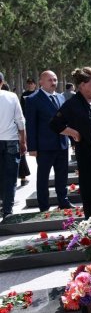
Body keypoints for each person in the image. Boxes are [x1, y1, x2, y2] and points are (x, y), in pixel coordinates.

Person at [49, 67, 91, 219]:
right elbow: (55, 124)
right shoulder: (73, 104)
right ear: (82, 85)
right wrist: (74, 133)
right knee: (90, 194)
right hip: (87, 156)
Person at [25, 70, 73, 211]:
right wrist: (32, 148)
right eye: (50, 80)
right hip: (44, 147)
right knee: (43, 178)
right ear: (41, 82)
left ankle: (63, 201)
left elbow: (65, 121)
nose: (54, 83)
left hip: (62, 144)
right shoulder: (33, 99)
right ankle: (44, 205)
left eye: (55, 80)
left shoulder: (61, 97)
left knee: (62, 176)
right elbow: (31, 125)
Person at [0, 75, 27, 218]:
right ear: (2, 82)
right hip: (11, 139)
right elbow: (20, 120)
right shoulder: (11, 96)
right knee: (10, 176)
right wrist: (23, 141)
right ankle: (7, 210)